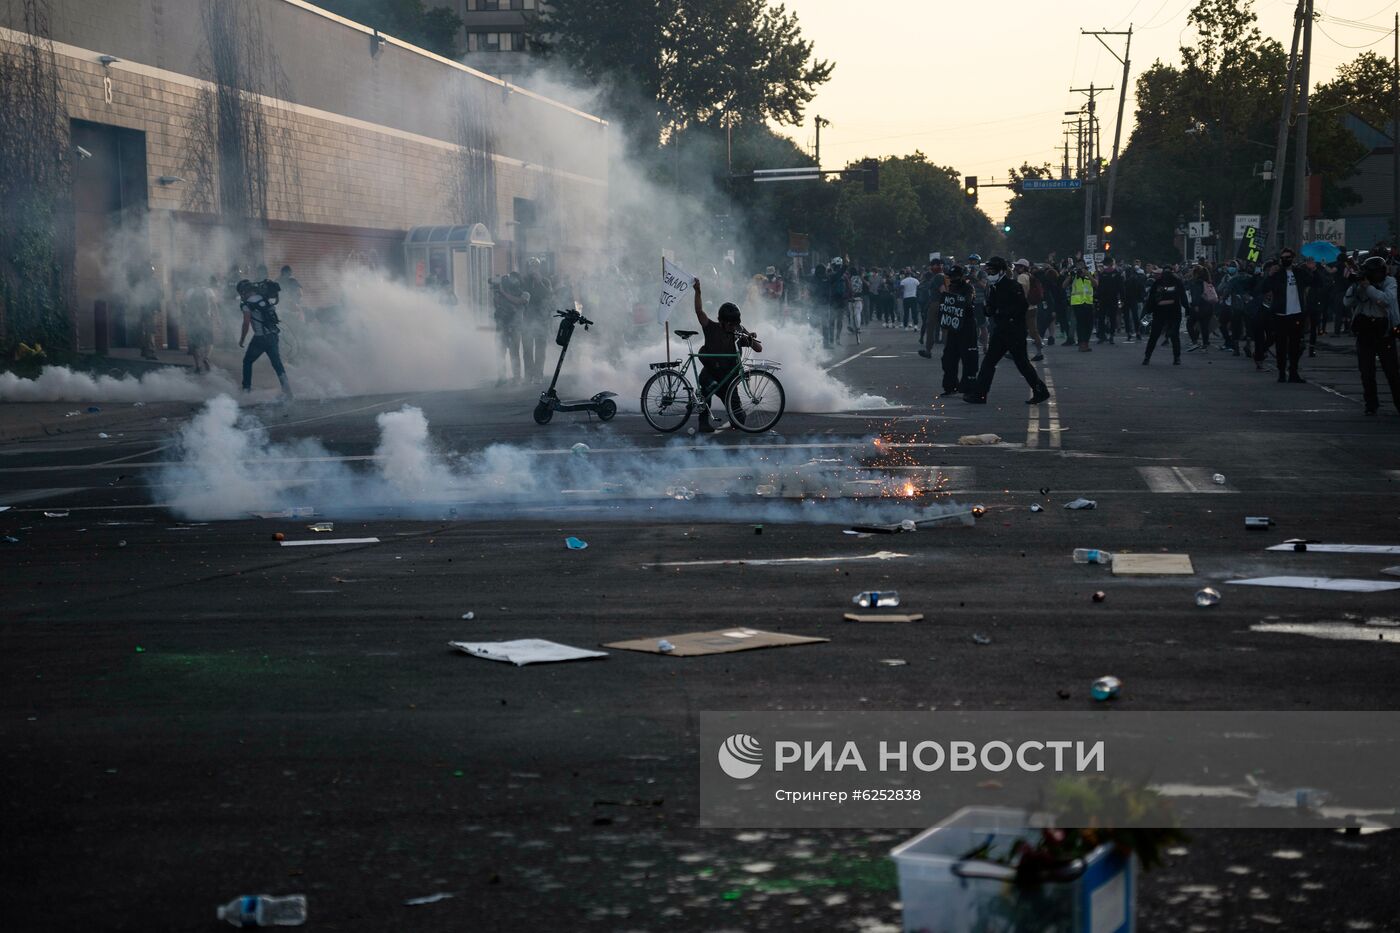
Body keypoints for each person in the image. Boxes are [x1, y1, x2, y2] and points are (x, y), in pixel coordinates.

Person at [963, 257, 1049, 406]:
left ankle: (1040, 390)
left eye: (993, 271)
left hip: (1013, 331)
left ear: (1002, 271)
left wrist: (1003, 313)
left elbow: (1021, 307)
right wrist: (987, 309)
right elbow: (991, 308)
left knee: (1022, 363)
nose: (990, 274)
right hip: (1001, 330)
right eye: (988, 271)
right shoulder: (994, 286)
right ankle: (980, 394)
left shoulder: (1012, 285)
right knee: (990, 361)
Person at [692, 277, 762, 433]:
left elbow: (758, 348)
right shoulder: (711, 328)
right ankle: (703, 420)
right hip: (710, 374)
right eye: (730, 324)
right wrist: (698, 291)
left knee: (739, 421)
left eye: (735, 324)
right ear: (721, 321)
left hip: (729, 380)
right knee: (708, 389)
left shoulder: (738, 331)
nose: (732, 327)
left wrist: (749, 338)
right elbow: (699, 311)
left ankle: (733, 417)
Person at [1342, 254, 1400, 416]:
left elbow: (1386, 300)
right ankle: (1371, 404)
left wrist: (1368, 287)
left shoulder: (1390, 282)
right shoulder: (1362, 284)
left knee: (1392, 371)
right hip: (1366, 331)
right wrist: (1356, 285)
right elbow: (1347, 302)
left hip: (1384, 331)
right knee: (1366, 371)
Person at [920, 263, 978, 397]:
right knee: (948, 358)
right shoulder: (951, 287)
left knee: (968, 359)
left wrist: (955, 300)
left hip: (966, 327)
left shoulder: (968, 287)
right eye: (951, 277)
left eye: (955, 276)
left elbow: (967, 303)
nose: (953, 279)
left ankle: (968, 387)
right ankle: (950, 386)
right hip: (953, 328)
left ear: (961, 276)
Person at [1261, 248, 1315, 383]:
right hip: (1280, 315)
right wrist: (1269, 275)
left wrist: (1313, 269)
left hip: (1296, 314)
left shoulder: (1300, 273)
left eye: (1288, 257)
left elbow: (1316, 283)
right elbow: (1263, 288)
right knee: (1281, 345)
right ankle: (1281, 372)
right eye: (1283, 258)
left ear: (1293, 258)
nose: (1286, 260)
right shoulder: (1277, 274)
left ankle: (1293, 372)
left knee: (1295, 345)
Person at [237, 278, 293, 399]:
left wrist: (242, 339)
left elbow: (246, 323)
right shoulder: (264, 299)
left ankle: (246, 390)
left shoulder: (247, 304)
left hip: (260, 338)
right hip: (273, 336)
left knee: (247, 362)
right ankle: (287, 390)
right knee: (277, 364)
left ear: (244, 291)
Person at [1141, 264, 1186, 365]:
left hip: (1160, 312)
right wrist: (1187, 309)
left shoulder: (1159, 282)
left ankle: (1147, 357)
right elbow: (1183, 297)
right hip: (1173, 312)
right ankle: (1176, 358)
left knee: (1154, 336)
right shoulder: (1177, 282)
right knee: (1174, 336)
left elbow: (1151, 299)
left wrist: (1148, 311)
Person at [493, 272, 527, 383]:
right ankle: (501, 377)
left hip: (515, 326)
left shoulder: (524, 293)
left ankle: (516, 377)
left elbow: (519, 301)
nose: (512, 281)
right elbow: (496, 304)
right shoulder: (503, 292)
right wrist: (498, 292)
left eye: (514, 279)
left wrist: (503, 292)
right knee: (500, 352)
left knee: (514, 353)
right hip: (502, 325)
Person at [522, 257, 553, 380]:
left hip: (542, 321)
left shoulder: (545, 281)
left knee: (540, 350)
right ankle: (529, 375)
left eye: (535, 266)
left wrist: (539, 282)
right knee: (527, 350)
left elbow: (549, 295)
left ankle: (538, 374)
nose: (533, 269)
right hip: (527, 320)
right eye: (531, 266)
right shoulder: (524, 282)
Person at [184, 273, 219, 374]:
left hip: (193, 320)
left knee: (195, 344)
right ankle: (207, 358)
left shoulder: (189, 291)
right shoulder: (208, 291)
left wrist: (186, 318)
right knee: (209, 341)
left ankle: (198, 365)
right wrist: (217, 318)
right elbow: (214, 305)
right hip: (206, 319)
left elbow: (184, 306)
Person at [1014, 259, 1044, 360]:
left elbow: (1019, 292)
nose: (1016, 268)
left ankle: (1018, 352)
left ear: (1023, 267)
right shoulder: (1030, 276)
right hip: (1032, 307)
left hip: (1024, 308)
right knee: (1032, 331)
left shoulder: (1022, 277)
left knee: (1019, 331)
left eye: (1018, 266)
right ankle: (1039, 351)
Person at [1067, 262, 1096, 351]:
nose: (1080, 268)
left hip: (1088, 302)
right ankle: (1081, 344)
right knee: (1081, 324)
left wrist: (1088, 275)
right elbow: (1063, 285)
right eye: (1078, 266)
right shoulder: (1073, 276)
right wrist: (1070, 276)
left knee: (1089, 325)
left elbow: (1096, 284)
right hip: (1077, 303)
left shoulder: (1090, 274)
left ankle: (1086, 343)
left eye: (1081, 266)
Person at [1095, 257, 1124, 345]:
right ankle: (1103, 335)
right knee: (1102, 318)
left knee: (1111, 318)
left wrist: (1122, 299)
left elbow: (1121, 288)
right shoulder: (1103, 274)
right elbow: (1099, 288)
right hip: (1104, 299)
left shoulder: (1117, 274)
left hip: (1112, 299)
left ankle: (1111, 335)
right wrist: (1097, 298)